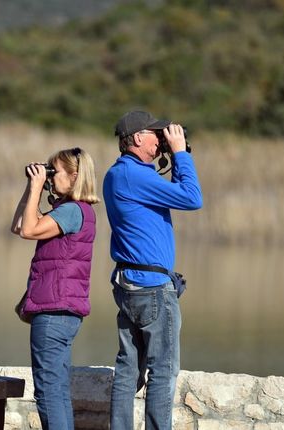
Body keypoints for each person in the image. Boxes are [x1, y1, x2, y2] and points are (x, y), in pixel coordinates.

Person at [103, 111, 203, 430]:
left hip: (129, 284)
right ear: (136, 138)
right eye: (154, 134)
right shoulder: (137, 176)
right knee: (163, 370)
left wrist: (172, 158)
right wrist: (180, 154)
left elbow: (172, 195)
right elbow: (192, 198)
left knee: (128, 368)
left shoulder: (119, 173)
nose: (160, 139)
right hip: (152, 289)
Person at [10, 147, 100, 430]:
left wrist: (38, 186)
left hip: (53, 312)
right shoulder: (74, 211)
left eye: (54, 171)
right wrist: (31, 188)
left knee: (48, 392)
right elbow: (19, 226)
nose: (49, 176)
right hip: (62, 312)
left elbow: (29, 231)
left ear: (74, 177)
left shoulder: (72, 211)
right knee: (57, 391)